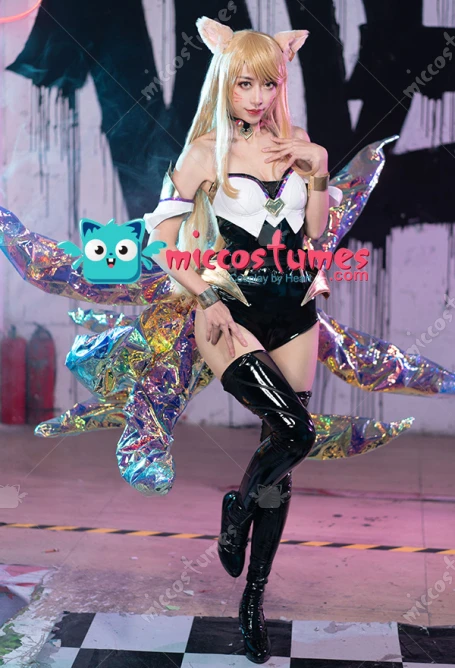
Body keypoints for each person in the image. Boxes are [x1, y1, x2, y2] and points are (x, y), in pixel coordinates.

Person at [143, 17, 342, 665]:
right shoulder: (204, 152)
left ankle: (253, 599)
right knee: (297, 432)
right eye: (245, 84)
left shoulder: (298, 144)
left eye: (269, 84)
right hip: (230, 313)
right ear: (225, 83)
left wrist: (319, 171)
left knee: (280, 457)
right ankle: (235, 511)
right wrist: (204, 297)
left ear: (282, 84)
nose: (258, 97)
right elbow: (160, 245)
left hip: (294, 312)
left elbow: (315, 236)